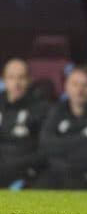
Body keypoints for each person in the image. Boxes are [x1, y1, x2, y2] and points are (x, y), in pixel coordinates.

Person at [33, 66, 87, 189]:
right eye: (75, 84)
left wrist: (60, 149)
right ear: (66, 86)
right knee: (38, 189)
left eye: (85, 85)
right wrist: (84, 139)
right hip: (56, 171)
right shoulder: (56, 110)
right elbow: (45, 144)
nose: (79, 90)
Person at [0, 58, 48, 187]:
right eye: (11, 77)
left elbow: (45, 147)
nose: (16, 83)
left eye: (22, 77)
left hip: (24, 164)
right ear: (3, 80)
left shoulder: (41, 107)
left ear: (30, 80)